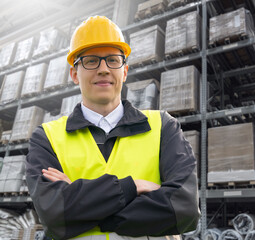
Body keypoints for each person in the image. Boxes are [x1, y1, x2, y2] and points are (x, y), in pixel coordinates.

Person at [26, 16, 200, 240]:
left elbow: (184, 208)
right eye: (90, 61)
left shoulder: (163, 126)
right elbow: (53, 214)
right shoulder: (47, 137)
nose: (103, 69)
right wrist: (131, 187)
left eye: (113, 60)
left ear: (125, 71)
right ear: (74, 74)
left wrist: (82, 207)